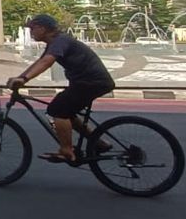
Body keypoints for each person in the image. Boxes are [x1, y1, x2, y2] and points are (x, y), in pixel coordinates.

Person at [8, 14, 115, 163]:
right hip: (89, 82)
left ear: (42, 28)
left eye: (32, 28)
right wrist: (19, 78)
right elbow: (40, 62)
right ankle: (99, 142)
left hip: (91, 82)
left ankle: (66, 151)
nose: (30, 32)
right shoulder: (55, 42)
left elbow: (47, 62)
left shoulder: (60, 41)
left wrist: (24, 79)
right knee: (67, 112)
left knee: (57, 110)